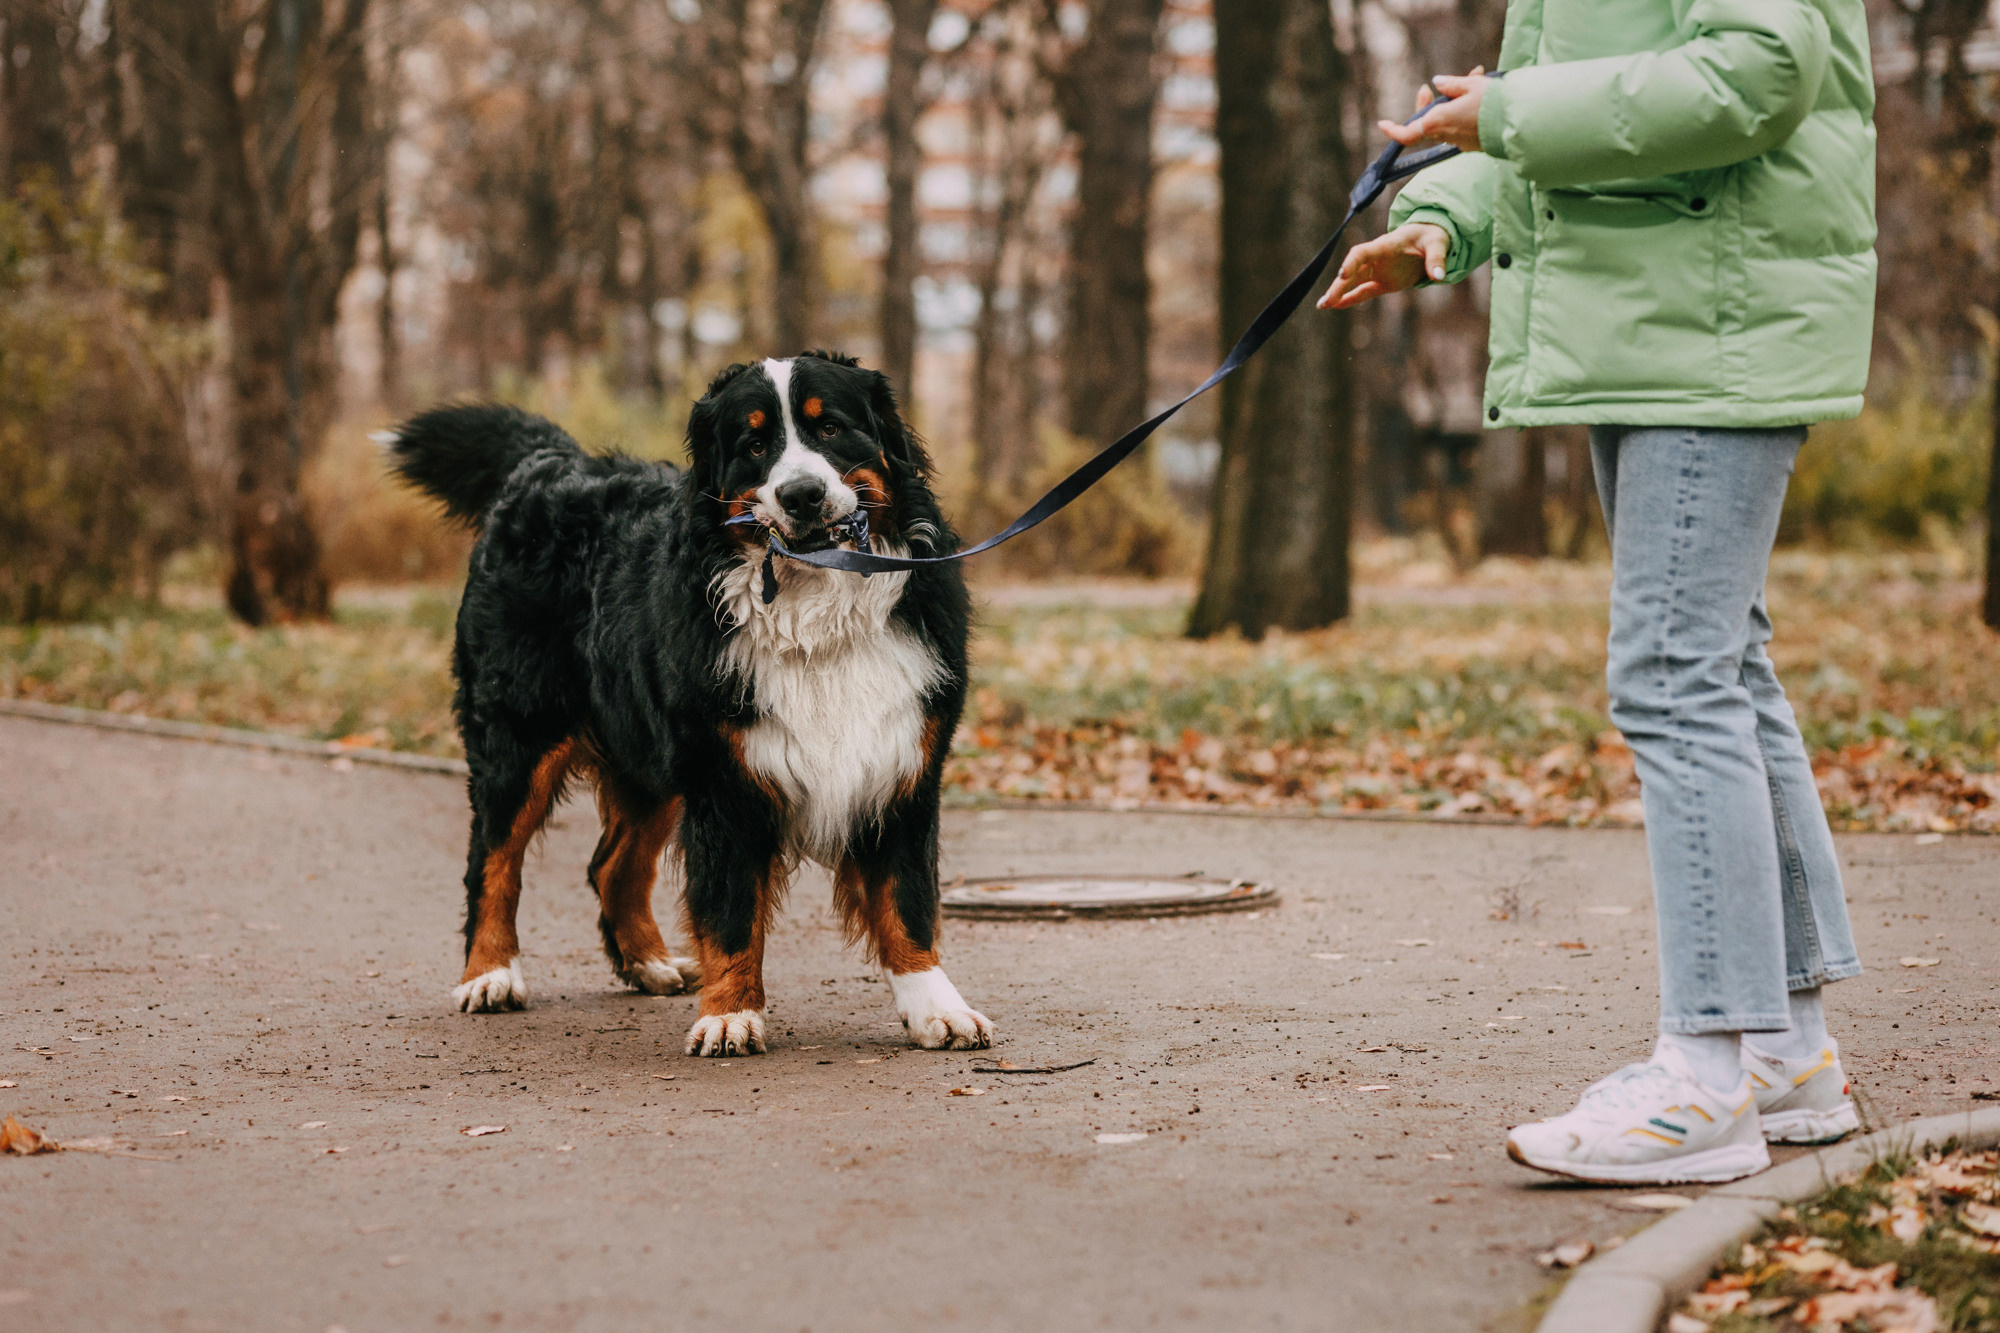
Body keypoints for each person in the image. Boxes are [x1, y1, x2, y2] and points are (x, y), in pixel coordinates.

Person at [1320, 0, 1875, 1184]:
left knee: (1676, 678)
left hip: (1706, 328)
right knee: (1722, 666)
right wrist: (1439, 216)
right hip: (1654, 323)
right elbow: (1594, 130)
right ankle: (1781, 1053)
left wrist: (1507, 108)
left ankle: (1703, 1079)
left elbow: (1755, 76)